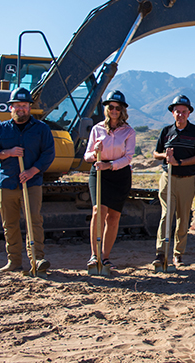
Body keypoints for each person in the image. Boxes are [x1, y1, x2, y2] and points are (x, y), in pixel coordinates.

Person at [0, 87, 55, 273]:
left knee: (34, 221)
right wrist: (7, 153)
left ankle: (37, 259)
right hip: (7, 183)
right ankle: (14, 262)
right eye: (17, 105)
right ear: (11, 108)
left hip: (31, 183)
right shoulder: (1, 129)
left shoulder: (41, 129)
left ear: (29, 107)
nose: (21, 109)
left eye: (24, 105)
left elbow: (48, 153)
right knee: (9, 224)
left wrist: (32, 171)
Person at [151, 95, 195, 267]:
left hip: (187, 179)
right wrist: (165, 157)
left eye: (184, 111)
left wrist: (180, 162)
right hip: (168, 178)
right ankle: (161, 254)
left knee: (183, 217)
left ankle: (178, 254)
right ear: (172, 113)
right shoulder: (166, 131)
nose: (180, 115)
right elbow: (155, 153)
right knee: (166, 215)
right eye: (177, 111)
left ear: (189, 113)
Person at [83, 90, 136, 270]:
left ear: (122, 110)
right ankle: (94, 255)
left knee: (114, 217)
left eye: (118, 108)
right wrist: (95, 152)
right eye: (111, 107)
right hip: (99, 172)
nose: (114, 110)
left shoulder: (129, 131)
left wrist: (111, 165)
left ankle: (105, 257)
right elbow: (87, 156)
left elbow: (128, 157)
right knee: (98, 210)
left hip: (119, 174)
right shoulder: (97, 129)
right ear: (107, 109)